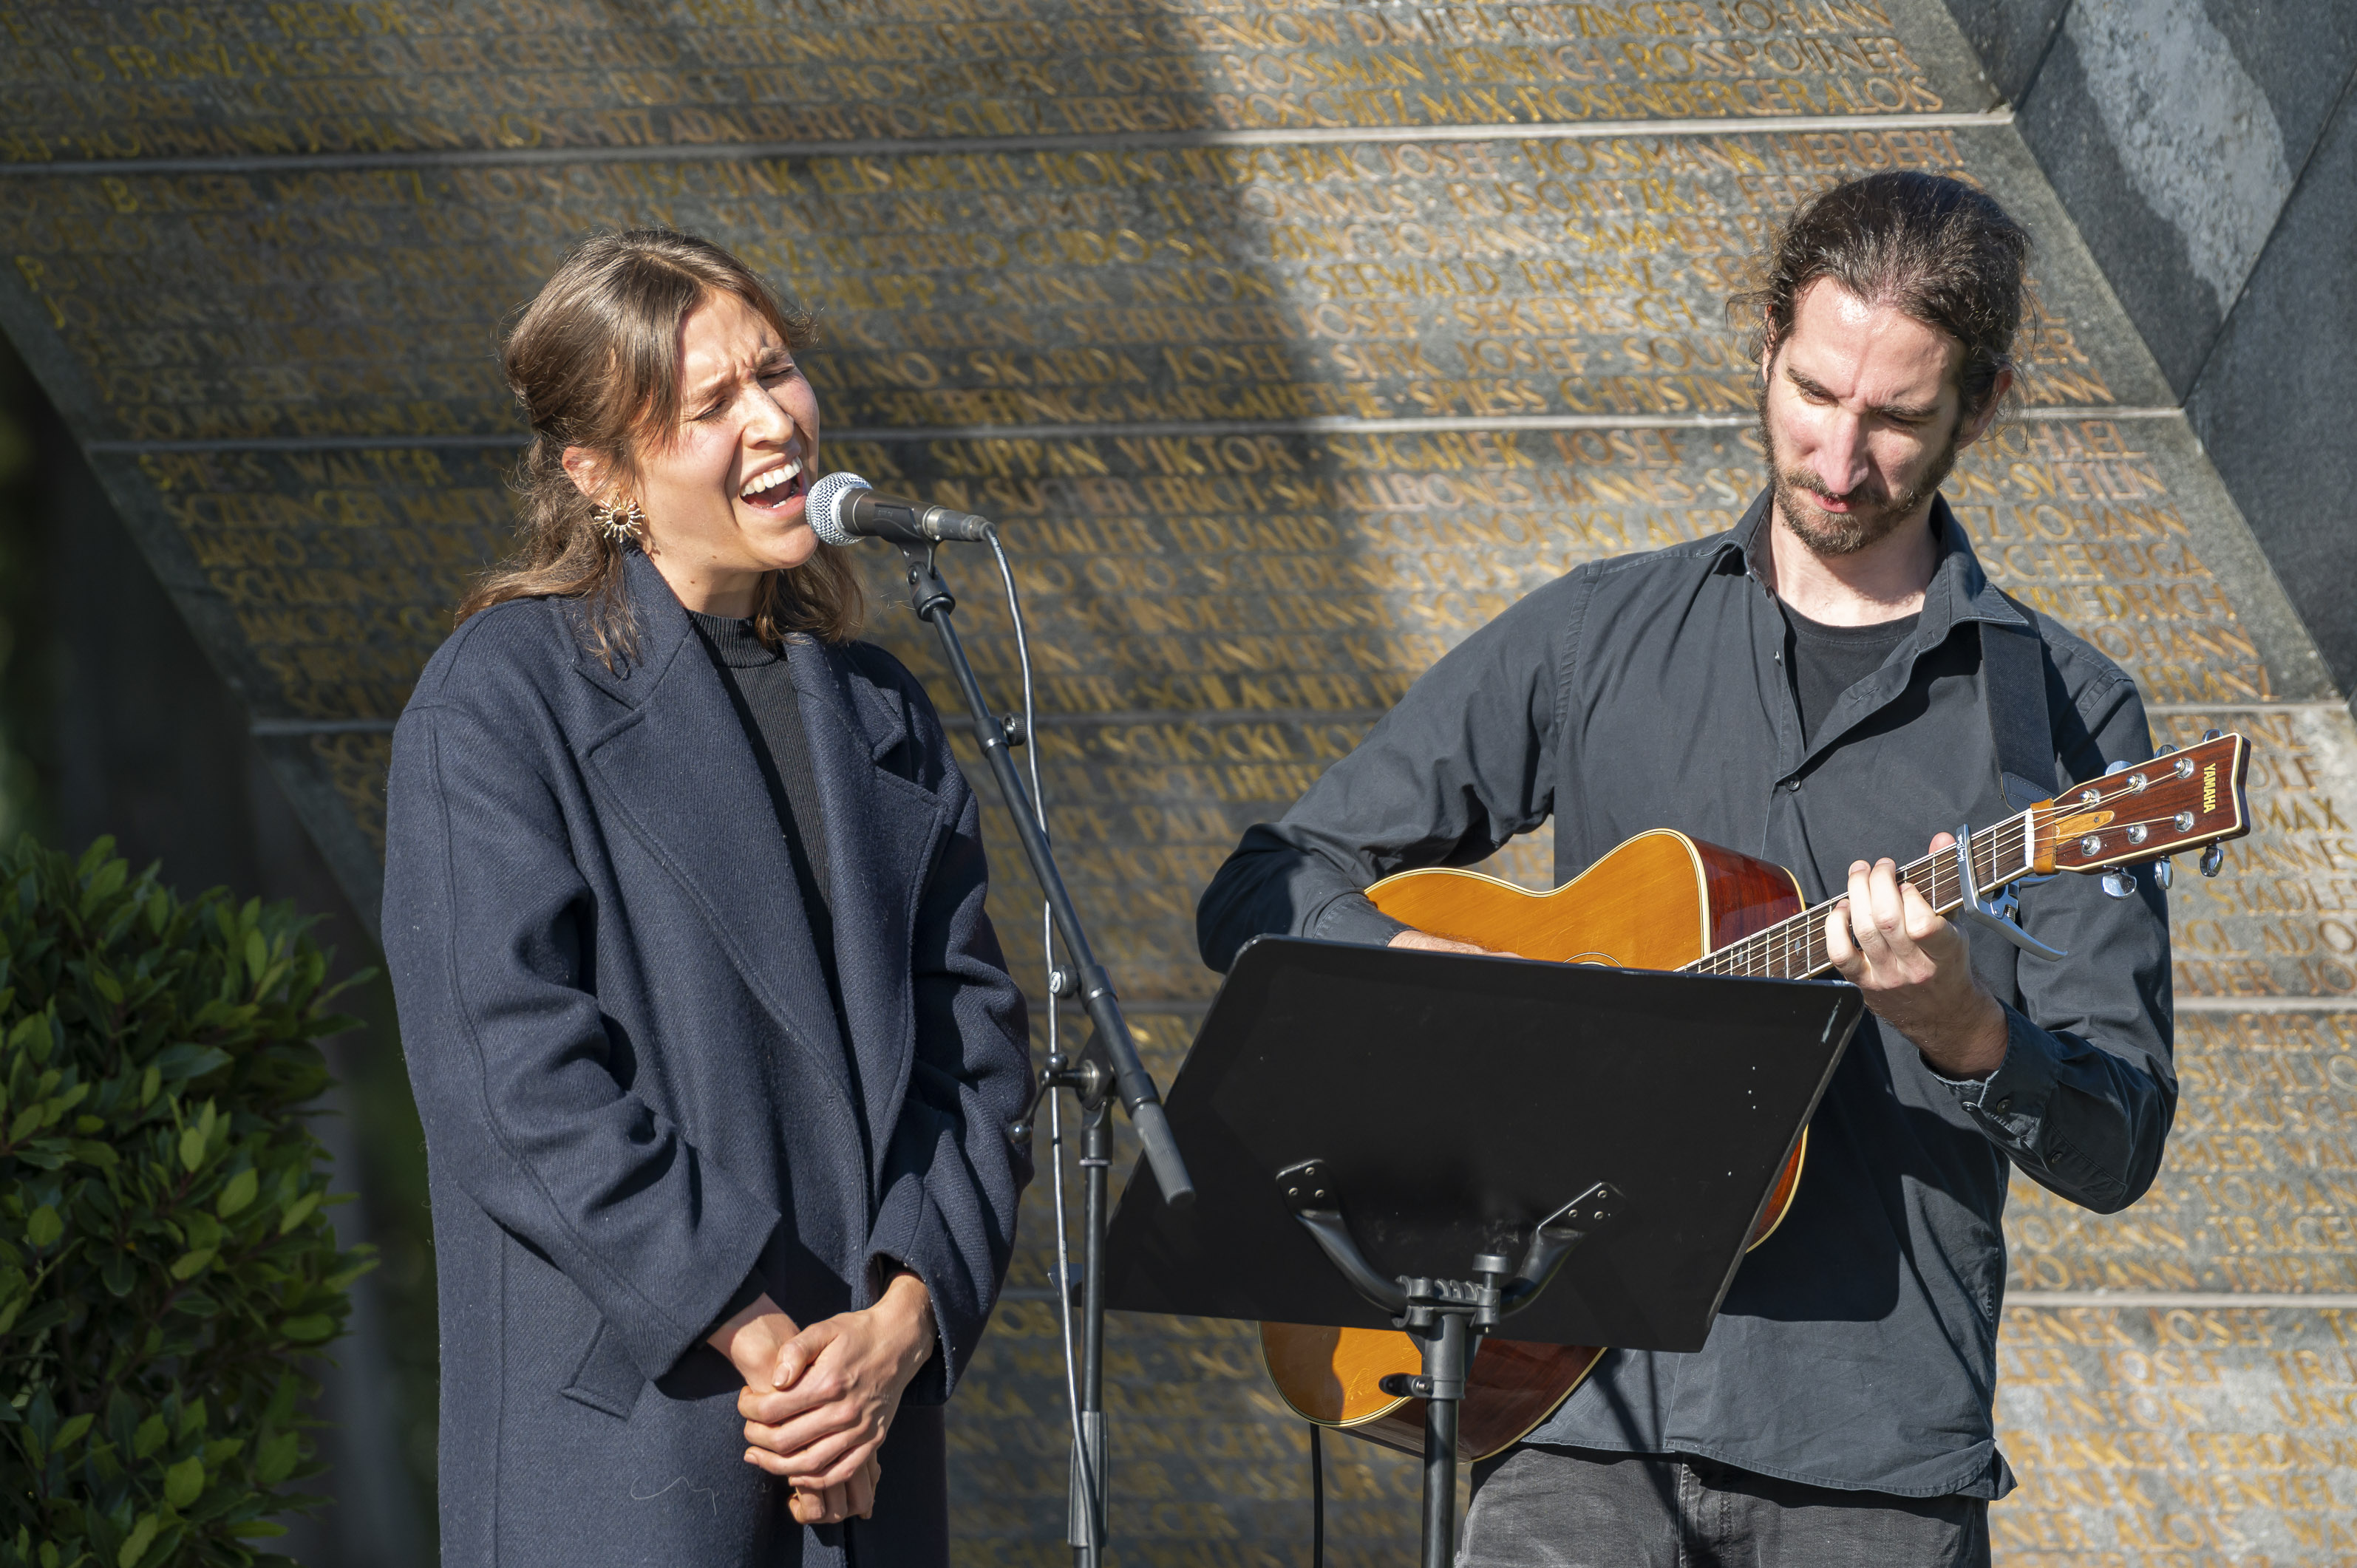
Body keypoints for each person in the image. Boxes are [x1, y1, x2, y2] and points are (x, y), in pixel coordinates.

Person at [1196, 172, 2176, 1566]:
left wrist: (1963, 1030)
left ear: (1984, 405)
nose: (1839, 460)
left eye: (1896, 419)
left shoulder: (2064, 719)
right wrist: (1443, 988)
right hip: (1568, 1423)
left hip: (1872, 1460)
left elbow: (2118, 1138)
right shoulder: (1596, 636)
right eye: (1812, 392)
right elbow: (1265, 884)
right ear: (1766, 342)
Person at [382, 228, 1034, 1567]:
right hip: (645, 1436)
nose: (772, 421)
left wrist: (902, 1321)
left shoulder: (880, 715)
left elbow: (975, 1055)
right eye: (709, 404)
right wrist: (759, 1335)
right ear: (600, 475)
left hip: (860, 1436)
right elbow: (514, 1080)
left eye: (776, 371)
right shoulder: (503, 700)